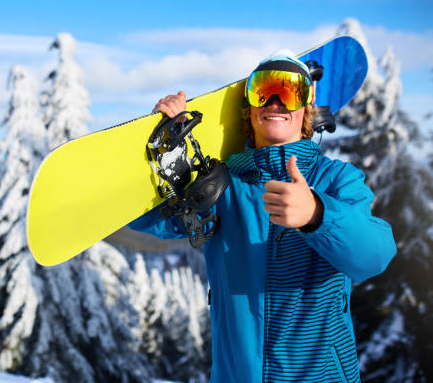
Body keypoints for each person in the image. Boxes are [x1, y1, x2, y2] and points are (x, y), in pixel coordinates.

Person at [129, 52, 396, 382]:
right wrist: (159, 149)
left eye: (290, 91)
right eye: (262, 90)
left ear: (306, 109)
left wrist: (317, 214)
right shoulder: (220, 188)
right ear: (249, 109)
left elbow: (374, 256)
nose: (275, 101)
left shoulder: (336, 180)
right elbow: (142, 219)